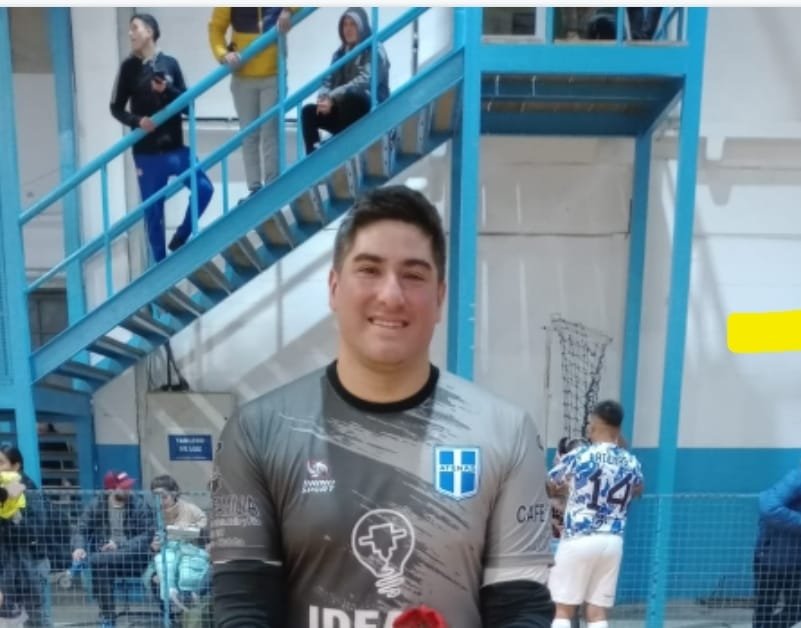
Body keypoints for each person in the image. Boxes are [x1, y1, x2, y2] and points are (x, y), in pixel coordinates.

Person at [210, 185, 555, 627]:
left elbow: (520, 609)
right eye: (369, 270)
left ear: (440, 297)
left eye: (414, 275)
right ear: (334, 287)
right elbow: (244, 607)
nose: (391, 295)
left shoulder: (506, 433)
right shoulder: (257, 432)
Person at [110, 13, 214, 263]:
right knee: (153, 214)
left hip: (175, 149)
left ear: (150, 31)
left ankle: (181, 235)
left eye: (135, 28)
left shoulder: (171, 64)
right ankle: (160, 264)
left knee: (204, 188)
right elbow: (116, 107)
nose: (130, 34)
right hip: (146, 155)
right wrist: (137, 121)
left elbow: (187, 106)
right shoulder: (128, 68)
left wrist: (167, 90)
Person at [546, 400, 643, 628]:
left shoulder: (581, 456)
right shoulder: (631, 461)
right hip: (612, 541)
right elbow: (638, 489)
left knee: (562, 610)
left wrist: (567, 490)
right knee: (597, 613)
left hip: (579, 537)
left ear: (595, 426)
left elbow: (551, 483)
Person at [208, 7, 295, 202]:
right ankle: (254, 188)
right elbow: (216, 28)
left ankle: (272, 184)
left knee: (270, 131)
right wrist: (223, 54)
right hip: (243, 77)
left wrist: (288, 9)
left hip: (273, 74)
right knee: (249, 134)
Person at [71, 470, 156, 628]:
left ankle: (83, 564)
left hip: (134, 557)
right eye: (123, 487)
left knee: (98, 561)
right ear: (110, 490)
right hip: (108, 559)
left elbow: (147, 535)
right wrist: (79, 548)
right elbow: (81, 529)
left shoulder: (139, 504)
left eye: (129, 486)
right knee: (102, 567)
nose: (128, 490)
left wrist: (120, 545)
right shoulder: (97, 505)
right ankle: (108, 616)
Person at [301, 7, 390, 154]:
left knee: (353, 97)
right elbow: (327, 81)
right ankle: (314, 154)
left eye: (353, 24)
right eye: (345, 25)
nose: (348, 29)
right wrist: (323, 99)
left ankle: (343, 148)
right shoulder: (339, 54)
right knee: (308, 112)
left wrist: (332, 97)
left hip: (369, 108)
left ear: (362, 26)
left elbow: (365, 81)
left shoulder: (374, 48)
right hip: (342, 109)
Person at [144, 475, 209, 619]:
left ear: (174, 494)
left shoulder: (190, 509)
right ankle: (169, 616)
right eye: (156, 498)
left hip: (190, 554)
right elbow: (148, 541)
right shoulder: (153, 514)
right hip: (165, 556)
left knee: (187, 575)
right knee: (155, 578)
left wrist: (192, 527)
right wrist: (153, 546)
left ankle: (188, 616)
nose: (161, 502)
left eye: (164, 497)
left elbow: (205, 527)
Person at [0, 446, 50, 627]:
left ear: (16, 466)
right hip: (5, 565)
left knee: (35, 618)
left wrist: (13, 517)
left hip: (32, 563)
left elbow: (35, 528)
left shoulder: (30, 490)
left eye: (1, 463)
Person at [752, 462, 801, 628]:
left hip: (795, 560)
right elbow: (768, 508)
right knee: (765, 610)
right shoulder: (797, 477)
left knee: (796, 610)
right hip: (772, 558)